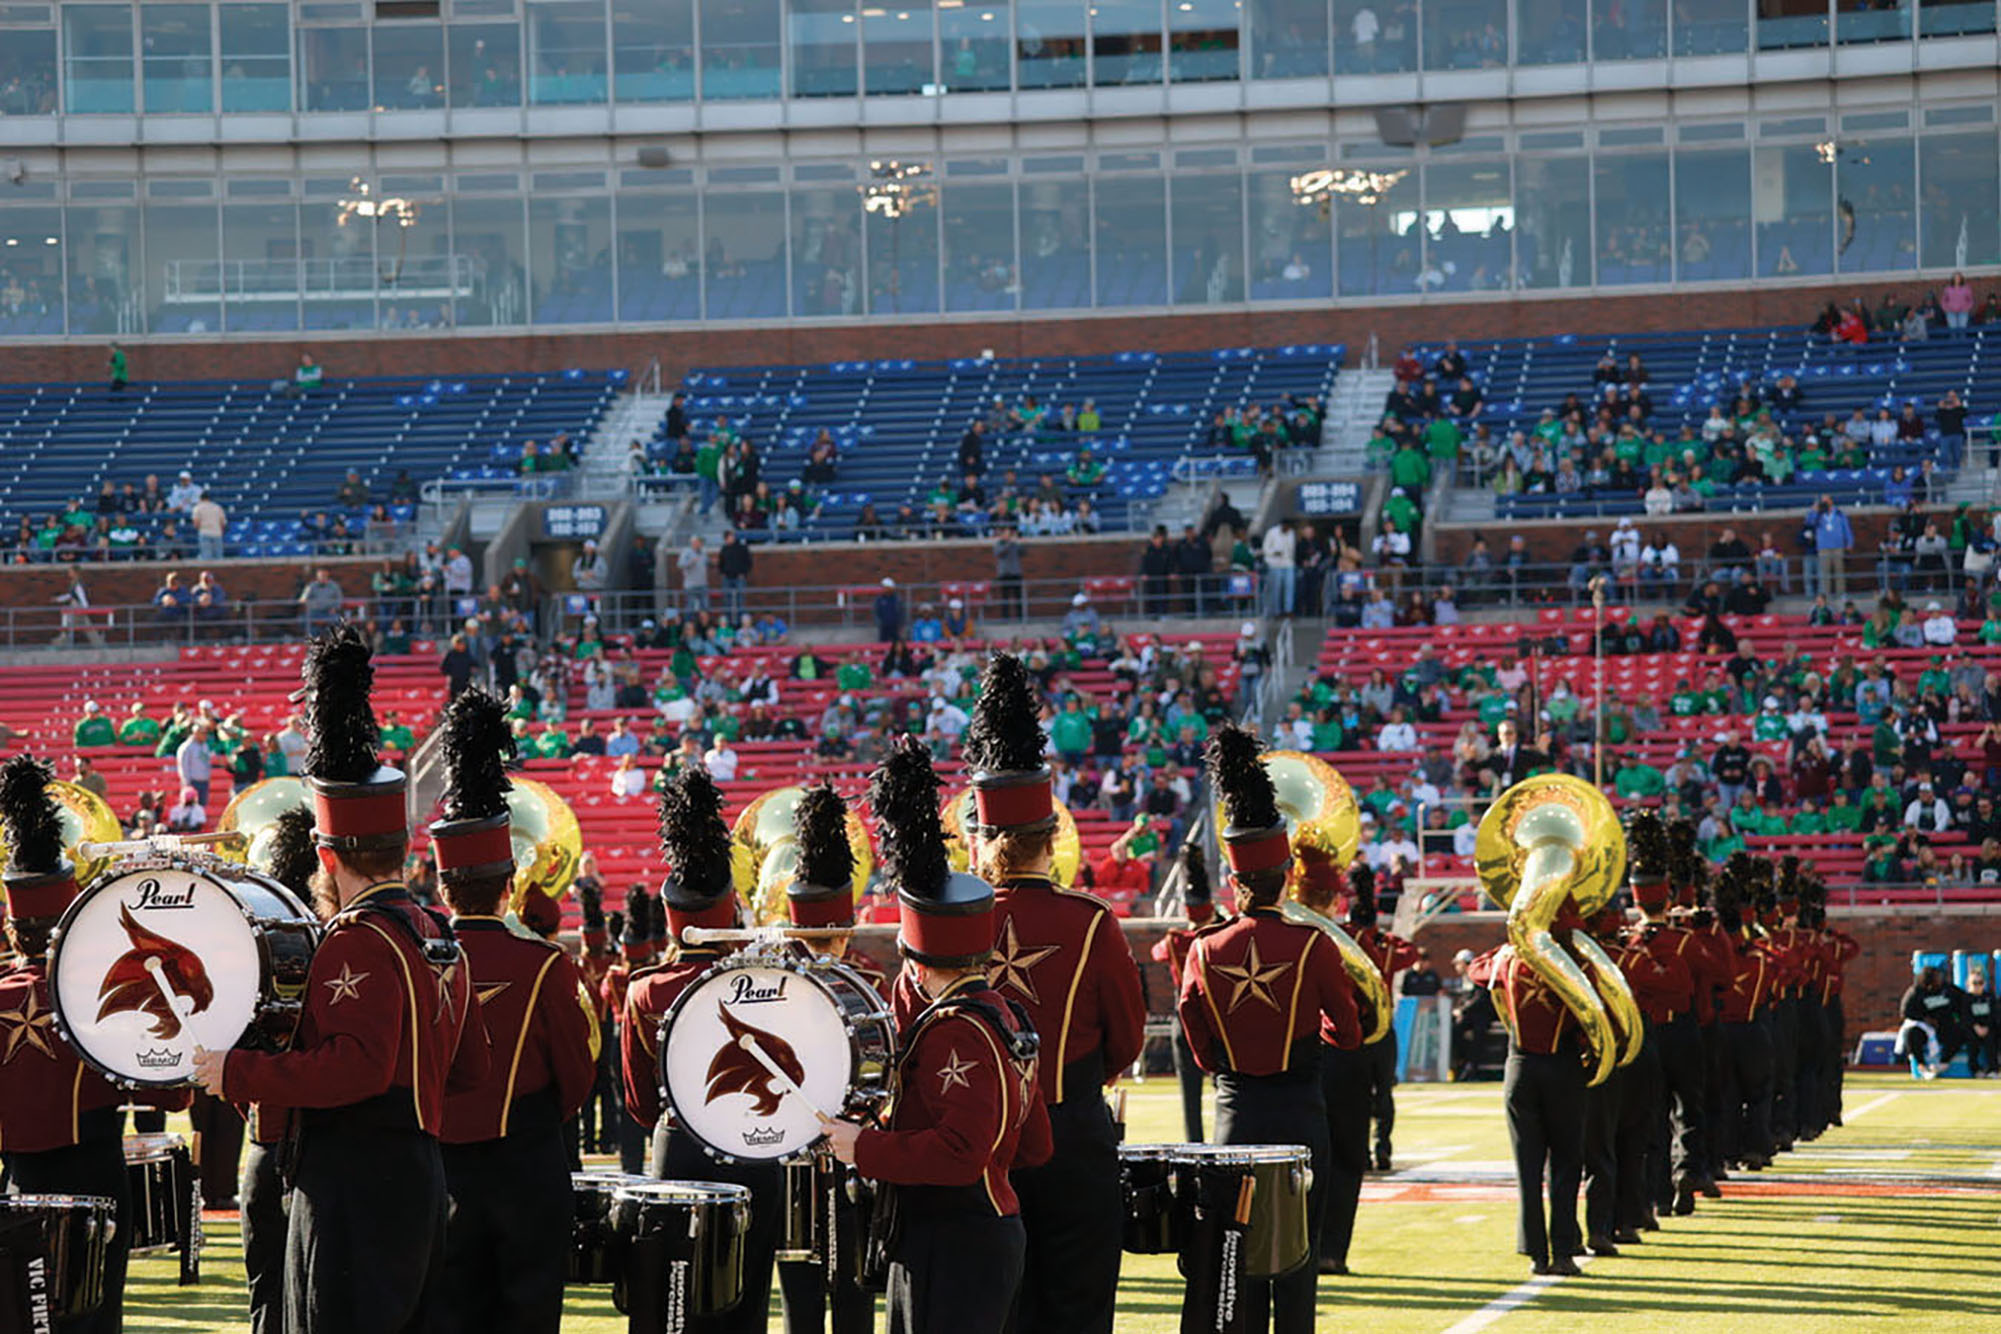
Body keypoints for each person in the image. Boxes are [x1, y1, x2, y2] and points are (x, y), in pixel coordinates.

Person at [193, 624, 488, 1334]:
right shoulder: (435, 931)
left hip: (357, 1181)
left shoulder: (357, 940)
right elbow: (470, 1067)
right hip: (420, 1173)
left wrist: (238, 1070)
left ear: (328, 854)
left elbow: (354, 1068)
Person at [944, 650, 1144, 1334]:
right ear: (1051, 837)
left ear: (977, 839)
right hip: (1072, 1135)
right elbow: (1127, 1039)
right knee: (1078, 1309)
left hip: (979, 1147)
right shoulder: (1090, 922)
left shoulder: (949, 929)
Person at [823, 738, 1049, 1334]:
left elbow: (959, 1151)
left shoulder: (957, 1032)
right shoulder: (1007, 1013)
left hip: (955, 1238)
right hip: (977, 1227)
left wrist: (862, 1148)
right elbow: (1036, 1145)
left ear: (916, 964)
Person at [0, 755, 192, 1334]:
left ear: (12, 928)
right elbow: (176, 1096)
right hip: (96, 1187)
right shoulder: (106, 995)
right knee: (93, 1322)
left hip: (17, 1188)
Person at [1180, 724, 1362, 1331]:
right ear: (1284, 875)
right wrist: (1313, 1049)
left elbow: (1194, 1031)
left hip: (1235, 1112)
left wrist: (1228, 1065)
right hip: (1302, 1111)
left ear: (1233, 881)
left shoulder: (1204, 949)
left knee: (1241, 1254)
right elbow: (1350, 1030)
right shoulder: (1311, 944)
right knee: (1297, 1259)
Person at [430, 689, 598, 1334]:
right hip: (527, 1163)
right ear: (509, 885)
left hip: (434, 1165)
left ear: (442, 887)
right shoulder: (545, 966)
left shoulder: (414, 958)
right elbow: (577, 1078)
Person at [620, 767, 782, 1334]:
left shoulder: (645, 990)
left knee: (674, 1306)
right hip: (758, 1152)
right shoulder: (772, 985)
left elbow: (640, 1107)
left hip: (680, 1154)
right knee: (746, 1306)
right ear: (729, 909)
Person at [1346, 865, 1419, 1171]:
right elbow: (1411, 952)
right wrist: (1385, 936)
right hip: (1382, 1029)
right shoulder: (1385, 947)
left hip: (1355, 1030)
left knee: (1356, 1097)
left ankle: (1361, 1151)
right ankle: (1383, 1149)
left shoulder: (1345, 945)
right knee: (1383, 1096)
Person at [1149, 843, 1215, 1142]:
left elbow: (1155, 952)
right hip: (1215, 1021)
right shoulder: (1217, 937)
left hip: (1182, 1020)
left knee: (1190, 1097)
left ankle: (1195, 1145)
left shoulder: (1175, 940)